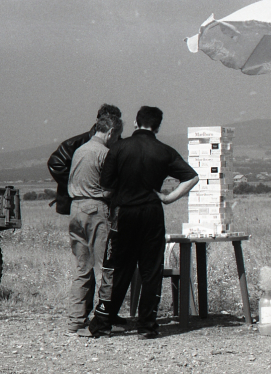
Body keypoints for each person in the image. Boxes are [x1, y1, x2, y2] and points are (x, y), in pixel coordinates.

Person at [84, 106, 199, 339]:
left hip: (123, 213)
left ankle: (102, 323)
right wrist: (167, 198)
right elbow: (192, 177)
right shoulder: (164, 151)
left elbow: (106, 188)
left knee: (116, 268)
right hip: (151, 212)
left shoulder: (118, 149)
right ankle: (147, 326)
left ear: (136, 123)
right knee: (151, 270)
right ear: (157, 126)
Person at [65, 113, 123, 334]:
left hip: (76, 209)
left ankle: (75, 320)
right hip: (96, 208)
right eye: (116, 136)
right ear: (110, 133)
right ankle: (102, 320)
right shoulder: (105, 153)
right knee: (103, 268)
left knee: (82, 267)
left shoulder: (80, 150)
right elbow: (108, 189)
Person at [47, 103, 122, 216]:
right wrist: (79, 184)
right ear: (98, 121)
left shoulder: (122, 144)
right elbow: (55, 163)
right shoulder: (74, 144)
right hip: (83, 202)